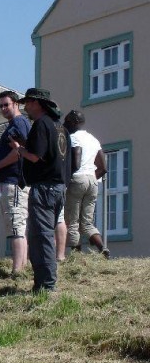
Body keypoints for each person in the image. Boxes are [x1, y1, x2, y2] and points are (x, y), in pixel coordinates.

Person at [10, 88, 71, 292]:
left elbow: (36, 156)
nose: (25, 107)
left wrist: (19, 149)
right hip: (59, 186)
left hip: (44, 187)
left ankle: (46, 285)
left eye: (27, 103)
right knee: (45, 234)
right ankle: (45, 282)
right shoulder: (60, 127)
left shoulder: (41, 124)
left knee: (41, 236)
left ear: (36, 103)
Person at [0, 91, 31, 275]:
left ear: (16, 104)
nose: (3, 108)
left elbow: (19, 151)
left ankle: (17, 270)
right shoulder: (17, 124)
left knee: (16, 227)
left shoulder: (19, 123)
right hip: (12, 182)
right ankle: (22, 266)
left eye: (7, 104)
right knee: (17, 226)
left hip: (14, 182)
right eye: (1, 105)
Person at [63, 110, 109, 257]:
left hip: (77, 178)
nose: (65, 125)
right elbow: (103, 167)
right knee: (87, 222)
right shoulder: (93, 139)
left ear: (74, 123)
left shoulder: (73, 137)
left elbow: (76, 163)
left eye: (67, 123)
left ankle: (75, 257)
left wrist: (66, 179)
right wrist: (90, 177)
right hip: (92, 180)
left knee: (72, 221)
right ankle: (102, 248)